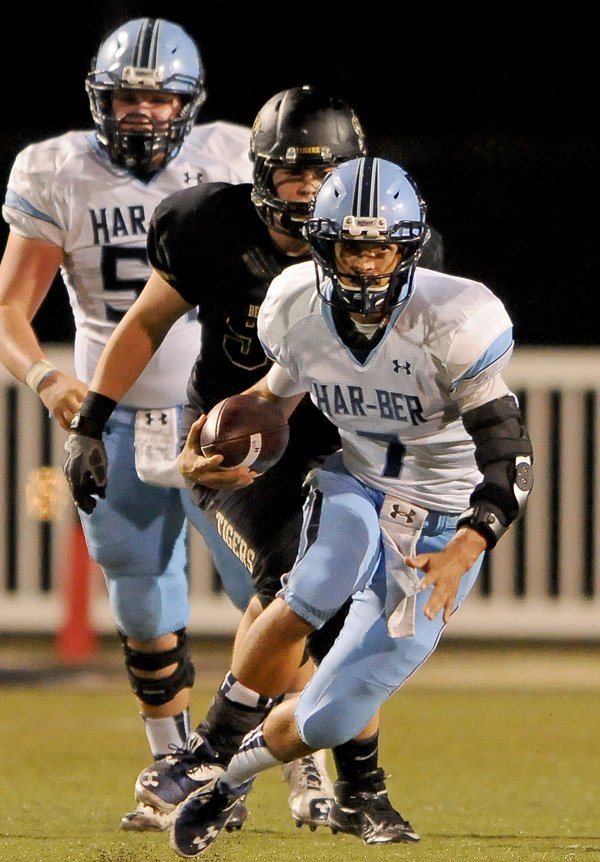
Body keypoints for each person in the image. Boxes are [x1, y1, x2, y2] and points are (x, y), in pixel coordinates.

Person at [61, 90, 444, 842]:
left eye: (322, 172)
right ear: (259, 171)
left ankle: (308, 778)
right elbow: (145, 321)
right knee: (293, 584)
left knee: (344, 614)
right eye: (291, 172)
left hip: (344, 445)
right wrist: (92, 422)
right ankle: (236, 766)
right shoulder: (206, 224)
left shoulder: (389, 251)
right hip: (238, 440)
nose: (304, 190)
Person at [158, 154, 534, 857]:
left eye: (382, 246)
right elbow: (272, 398)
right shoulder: (297, 307)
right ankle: (205, 744)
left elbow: (510, 462)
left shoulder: (454, 320)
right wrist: (205, 441)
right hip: (355, 484)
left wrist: (464, 548)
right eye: (352, 246)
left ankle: (227, 777)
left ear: (408, 249)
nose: (366, 264)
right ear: (323, 245)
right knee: (322, 575)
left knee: (332, 716)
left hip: (444, 523)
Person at [0, 16, 253, 833]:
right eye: (126, 95)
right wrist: (44, 377)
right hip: (117, 418)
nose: (142, 111)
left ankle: (296, 764)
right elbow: (8, 307)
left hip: (223, 410)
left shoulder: (236, 155)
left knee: (277, 592)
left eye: (157, 94)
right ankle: (169, 766)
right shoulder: (56, 169)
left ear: (189, 101)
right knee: (142, 604)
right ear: (98, 98)